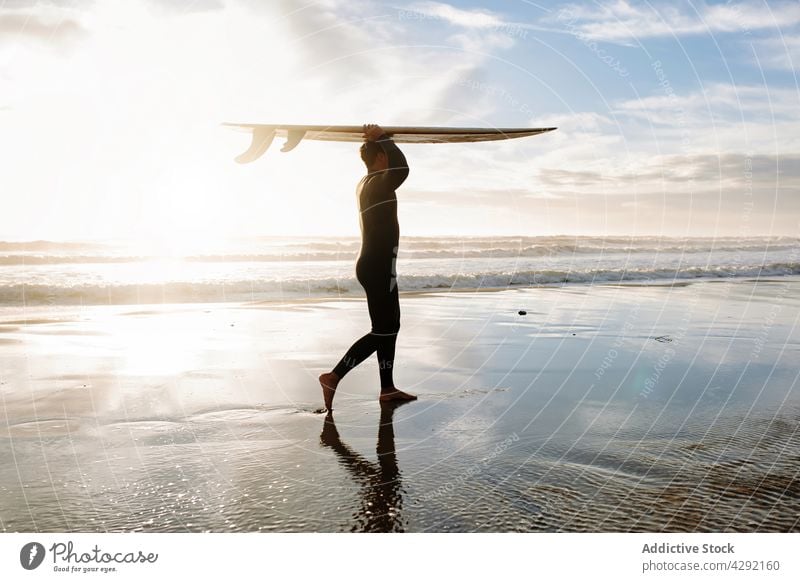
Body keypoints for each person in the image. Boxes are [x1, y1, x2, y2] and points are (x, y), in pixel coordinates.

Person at [318, 124, 417, 411]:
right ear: (382, 158)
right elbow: (402, 170)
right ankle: (333, 376)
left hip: (375, 264)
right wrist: (383, 138)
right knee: (384, 329)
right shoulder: (378, 183)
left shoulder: (366, 183)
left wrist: (380, 142)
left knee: (389, 326)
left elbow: (396, 168)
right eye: (387, 152)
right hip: (377, 266)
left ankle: (387, 387)